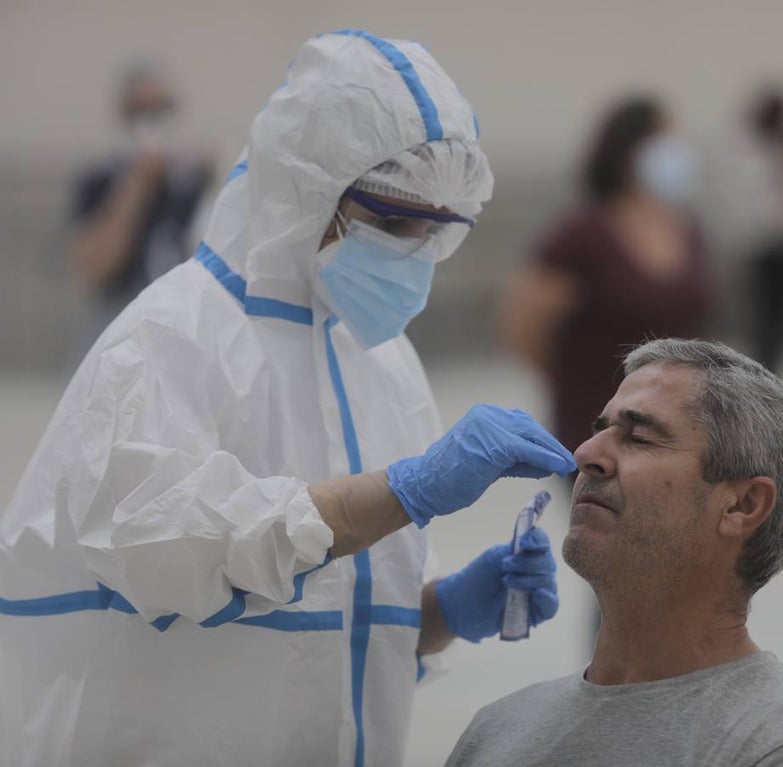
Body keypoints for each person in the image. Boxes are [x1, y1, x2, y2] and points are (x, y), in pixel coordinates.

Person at [0, 31, 575, 767]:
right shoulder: (172, 336)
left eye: (436, 229)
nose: (414, 252)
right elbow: (169, 552)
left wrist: (443, 611)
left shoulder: (385, 363)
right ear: (306, 189)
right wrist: (399, 493)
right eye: (393, 222)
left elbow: (334, 641)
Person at [446, 338, 783, 767]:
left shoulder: (778, 748)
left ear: (742, 505)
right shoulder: (497, 729)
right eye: (599, 430)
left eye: (639, 437)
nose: (586, 453)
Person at [500, 96, 716, 456]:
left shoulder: (687, 229)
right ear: (629, 150)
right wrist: (576, 380)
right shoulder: (580, 234)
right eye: (665, 140)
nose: (678, 152)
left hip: (679, 422)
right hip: (599, 420)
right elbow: (523, 328)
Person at [68, 62, 213, 352]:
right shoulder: (98, 181)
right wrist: (138, 185)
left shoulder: (192, 181)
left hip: (181, 329)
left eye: (162, 109)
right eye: (141, 111)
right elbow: (93, 267)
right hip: (117, 330)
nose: (153, 121)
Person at [727, 84, 783, 376]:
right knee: (763, 307)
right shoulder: (753, 150)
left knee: (782, 306)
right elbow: (752, 196)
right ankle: (764, 359)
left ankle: (779, 359)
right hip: (762, 241)